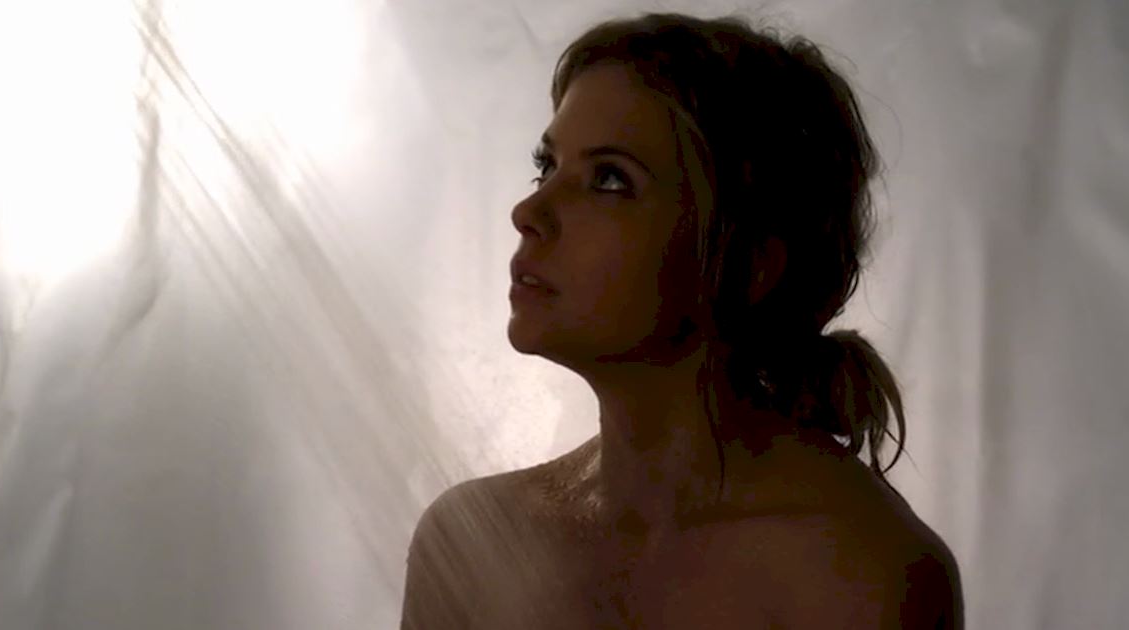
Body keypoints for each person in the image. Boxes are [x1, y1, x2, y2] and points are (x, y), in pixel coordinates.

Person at [401, 12, 963, 629]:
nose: (528, 210)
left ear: (749, 264)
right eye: (547, 166)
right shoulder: (468, 546)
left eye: (609, 179)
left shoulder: (865, 575)